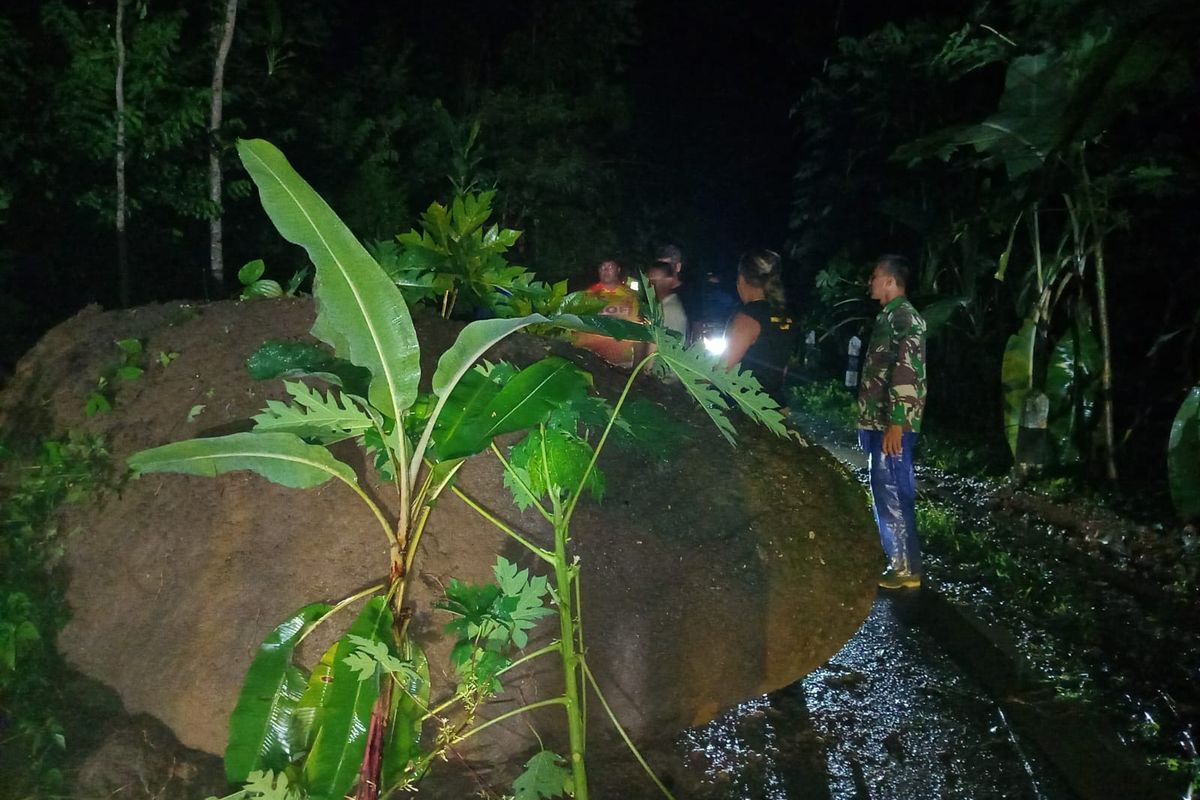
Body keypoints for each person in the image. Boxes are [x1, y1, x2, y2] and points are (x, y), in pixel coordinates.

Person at [857, 254, 927, 590]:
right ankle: (899, 564)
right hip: (880, 421)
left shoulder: (904, 317)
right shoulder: (889, 316)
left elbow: (906, 369)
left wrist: (897, 422)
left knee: (893, 492)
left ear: (889, 280)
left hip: (892, 424)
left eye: (874, 276)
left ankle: (905, 568)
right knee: (886, 490)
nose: (870, 282)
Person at [722, 249, 795, 402]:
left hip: (745, 408)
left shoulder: (747, 318)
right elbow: (783, 371)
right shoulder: (786, 316)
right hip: (775, 407)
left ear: (741, 279)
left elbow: (722, 370)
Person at [575, 258, 640, 368]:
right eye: (602, 267)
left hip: (623, 359)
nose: (606, 271)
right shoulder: (588, 295)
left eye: (610, 267)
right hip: (593, 357)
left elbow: (636, 325)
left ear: (618, 270)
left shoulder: (630, 296)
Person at [645, 261, 688, 337]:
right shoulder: (658, 306)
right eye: (650, 281)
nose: (650, 286)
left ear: (670, 280)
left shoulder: (671, 309)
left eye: (655, 281)